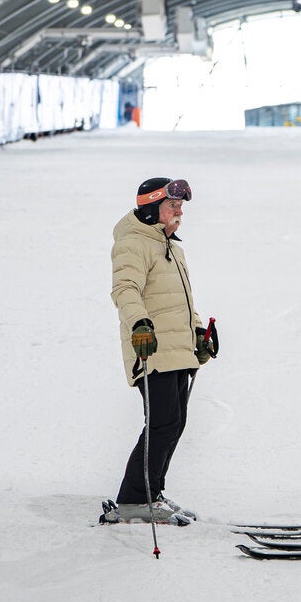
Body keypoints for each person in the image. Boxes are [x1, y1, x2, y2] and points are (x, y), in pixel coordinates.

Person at [101, 177, 216, 526]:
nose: (179, 212)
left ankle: (152, 493)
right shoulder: (134, 244)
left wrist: (198, 332)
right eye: (172, 206)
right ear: (152, 210)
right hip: (153, 350)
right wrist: (139, 324)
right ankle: (135, 499)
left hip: (177, 351)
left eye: (180, 207)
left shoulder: (170, 247)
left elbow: (184, 302)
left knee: (174, 424)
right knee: (162, 424)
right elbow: (125, 289)